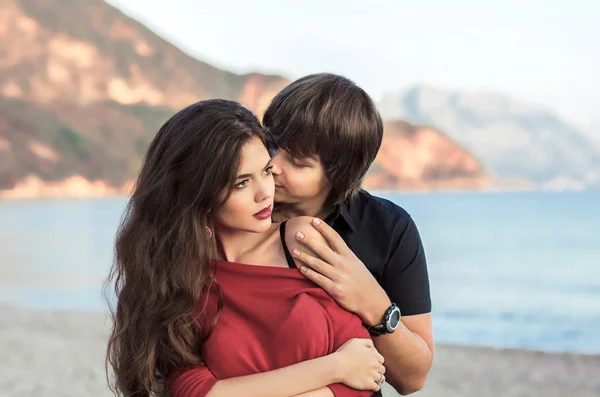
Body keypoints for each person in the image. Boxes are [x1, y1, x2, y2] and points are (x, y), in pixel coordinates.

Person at [105, 99, 386, 397]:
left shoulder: (303, 240)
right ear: (196, 191)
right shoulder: (176, 281)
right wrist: (334, 368)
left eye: (266, 171)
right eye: (241, 183)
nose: (265, 193)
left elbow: (364, 368)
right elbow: (195, 393)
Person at [262, 73, 434, 395]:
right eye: (270, 145)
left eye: (297, 161)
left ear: (339, 173)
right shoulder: (234, 216)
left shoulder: (390, 229)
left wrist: (373, 304)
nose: (273, 165)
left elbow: (412, 379)